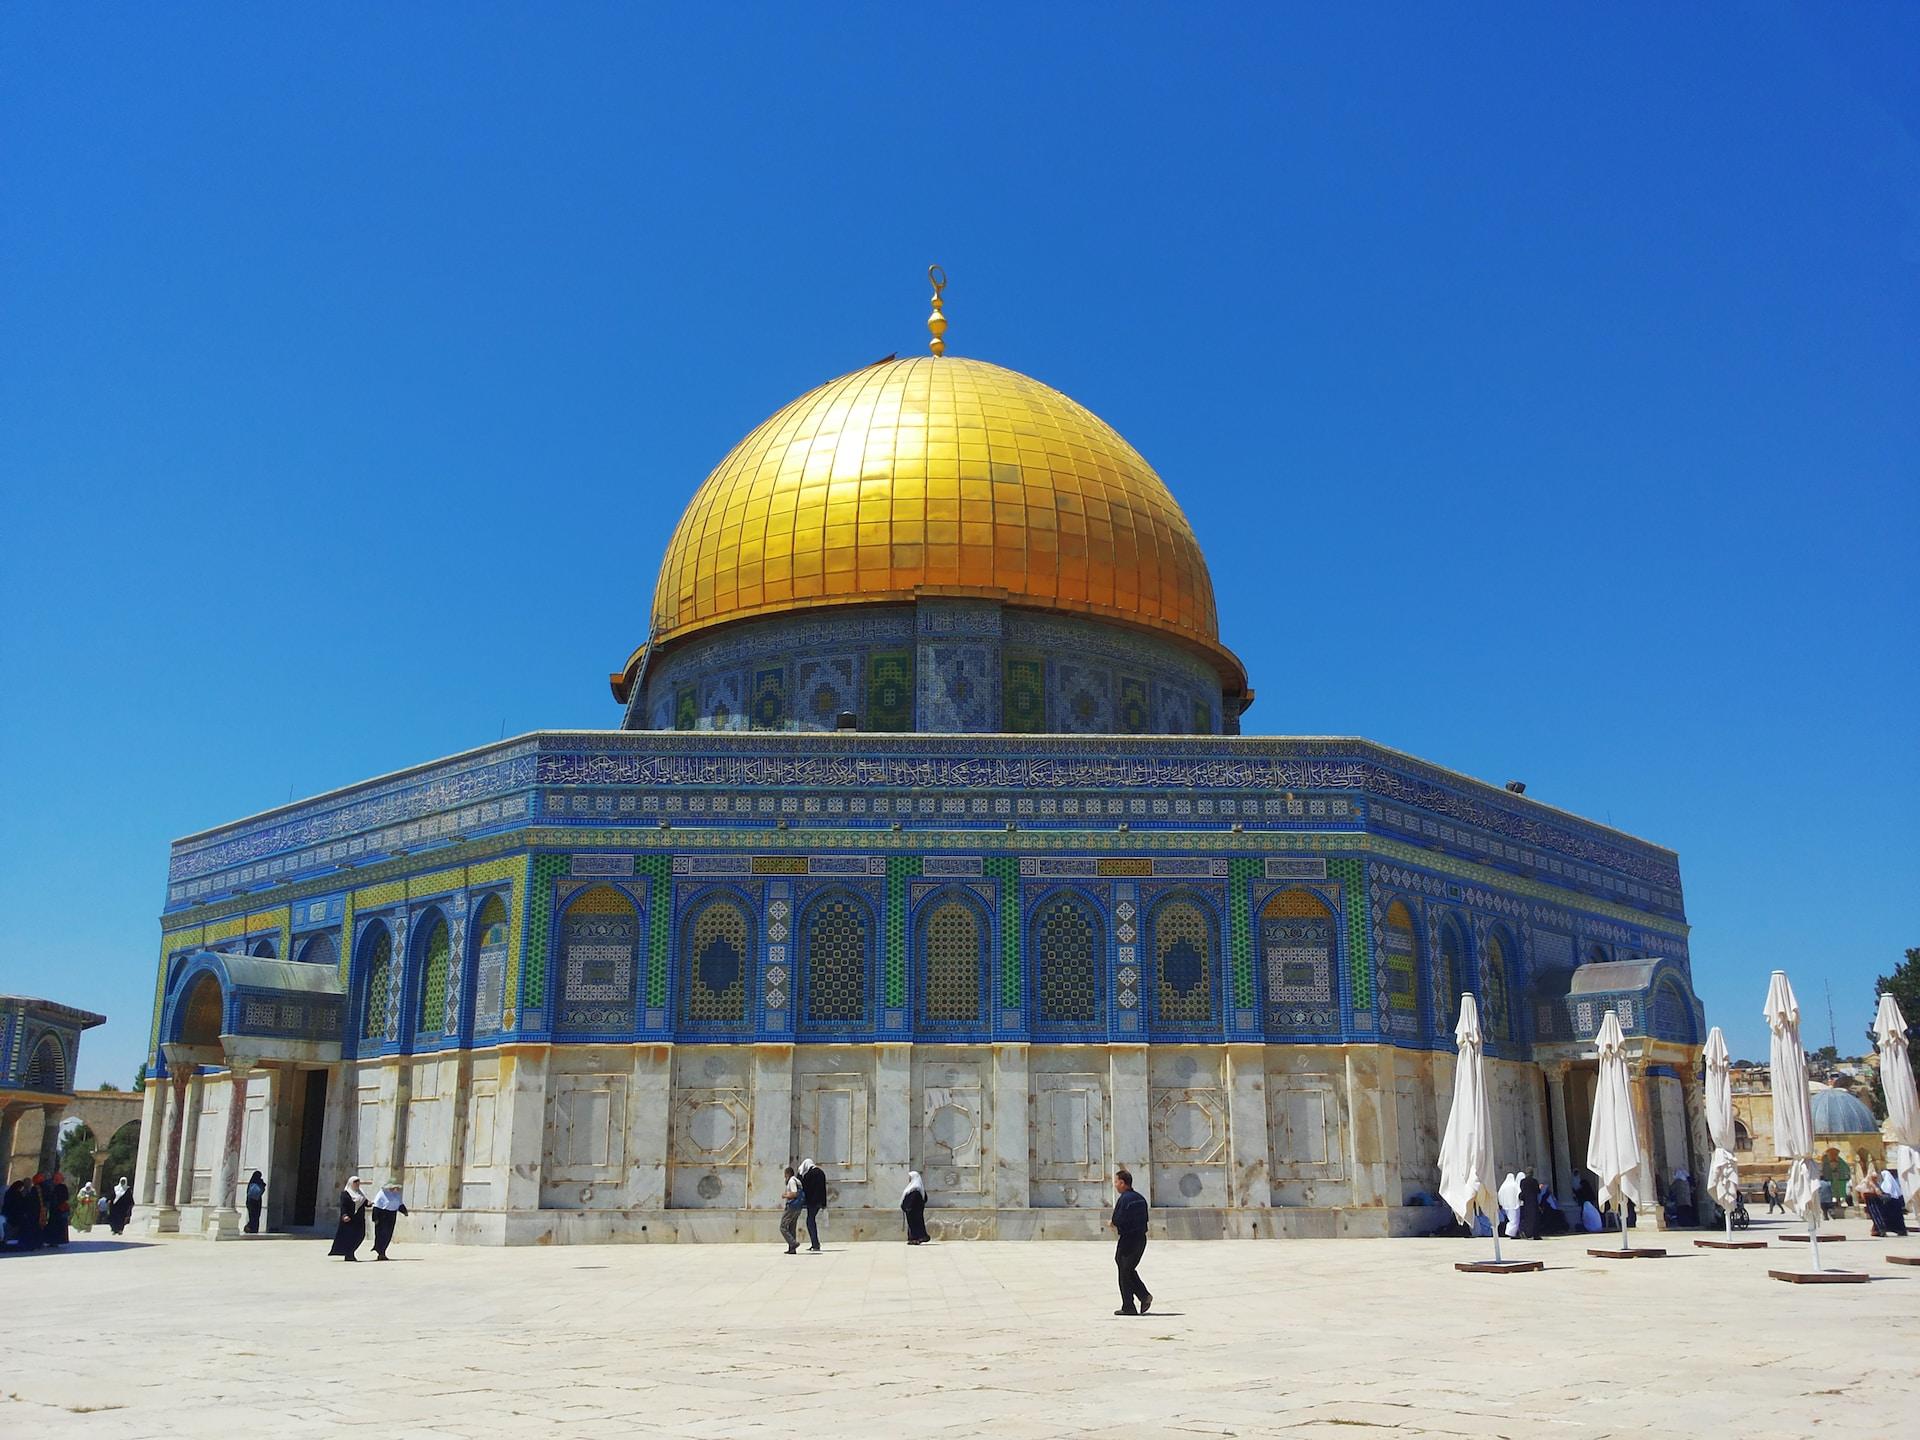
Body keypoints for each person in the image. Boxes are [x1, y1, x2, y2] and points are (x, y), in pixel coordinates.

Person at [1110, 1168, 1152, 1316]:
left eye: (1116, 1182)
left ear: (1122, 1183)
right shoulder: (1140, 1198)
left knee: (1124, 1270)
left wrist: (1112, 1224)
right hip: (1140, 1239)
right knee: (1126, 1269)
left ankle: (1130, 1305)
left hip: (1128, 1240)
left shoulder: (1124, 1199)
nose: (1115, 1185)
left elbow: (1117, 1220)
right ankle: (1142, 1296)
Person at [327, 1176, 369, 1261]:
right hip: (349, 1219)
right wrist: (344, 1215)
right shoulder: (345, 1194)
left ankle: (350, 1252)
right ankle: (349, 1254)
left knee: (360, 1235)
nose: (357, 1184)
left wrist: (370, 1203)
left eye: (358, 1182)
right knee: (349, 1237)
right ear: (351, 1183)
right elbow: (343, 1206)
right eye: (355, 1182)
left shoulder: (360, 1193)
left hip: (359, 1219)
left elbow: (365, 1202)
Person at [369, 1181, 408, 1259]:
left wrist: (404, 1211)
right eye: (393, 1188)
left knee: (388, 1235)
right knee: (381, 1234)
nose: (395, 1189)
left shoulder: (396, 1195)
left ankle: (383, 1252)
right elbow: (376, 1207)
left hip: (392, 1216)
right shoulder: (381, 1194)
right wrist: (375, 1218)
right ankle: (380, 1252)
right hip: (382, 1217)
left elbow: (399, 1205)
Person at [798, 1158, 828, 1252]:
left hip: (812, 1202)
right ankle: (815, 1244)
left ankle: (815, 1244)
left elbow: (806, 1188)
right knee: (811, 1220)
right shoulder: (821, 1173)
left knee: (810, 1221)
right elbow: (823, 1189)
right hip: (819, 1201)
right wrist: (824, 1203)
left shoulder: (809, 1174)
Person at [778, 1166, 803, 1254]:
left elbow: (794, 1194)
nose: (785, 1177)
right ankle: (792, 1249)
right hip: (798, 1207)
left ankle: (793, 1243)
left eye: (785, 1175)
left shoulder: (792, 1181)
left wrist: (785, 1195)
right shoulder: (797, 1181)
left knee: (783, 1227)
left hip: (791, 1207)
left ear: (788, 1174)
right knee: (792, 1228)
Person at [1878, 1165, 1908, 1238]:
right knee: (1897, 1218)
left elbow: (1886, 1191)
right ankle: (1900, 1230)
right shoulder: (1892, 1184)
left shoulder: (1887, 1184)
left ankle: (1895, 1230)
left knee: (1890, 1217)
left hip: (1889, 1203)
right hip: (1895, 1202)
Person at [901, 1170, 930, 1245]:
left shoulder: (915, 1189)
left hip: (913, 1212)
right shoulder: (918, 1188)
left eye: (910, 1177)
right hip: (915, 1212)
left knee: (914, 1225)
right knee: (916, 1224)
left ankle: (915, 1239)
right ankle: (916, 1237)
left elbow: (912, 1200)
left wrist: (908, 1208)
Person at [44, 1172, 70, 1247]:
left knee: (54, 1225)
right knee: (60, 1226)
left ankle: (53, 1241)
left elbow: (51, 1198)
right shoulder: (63, 1187)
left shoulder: (54, 1188)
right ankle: (57, 1241)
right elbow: (66, 1197)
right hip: (60, 1210)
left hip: (55, 1209)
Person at [1518, 1171, 1542, 1241]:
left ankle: (1527, 1233)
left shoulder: (1523, 1181)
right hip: (1534, 1202)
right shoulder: (1534, 1181)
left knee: (1527, 1219)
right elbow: (1538, 1191)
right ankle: (1535, 1235)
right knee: (1535, 1219)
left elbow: (1522, 1191)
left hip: (1526, 1203)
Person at [1497, 1173, 1522, 1239]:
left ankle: (1511, 1232)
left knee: (1511, 1219)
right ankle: (1511, 1233)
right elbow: (1519, 1193)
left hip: (1506, 1206)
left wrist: (1501, 1203)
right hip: (1514, 1205)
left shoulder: (1503, 1186)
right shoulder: (1514, 1185)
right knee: (1515, 1220)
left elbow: (1499, 1195)